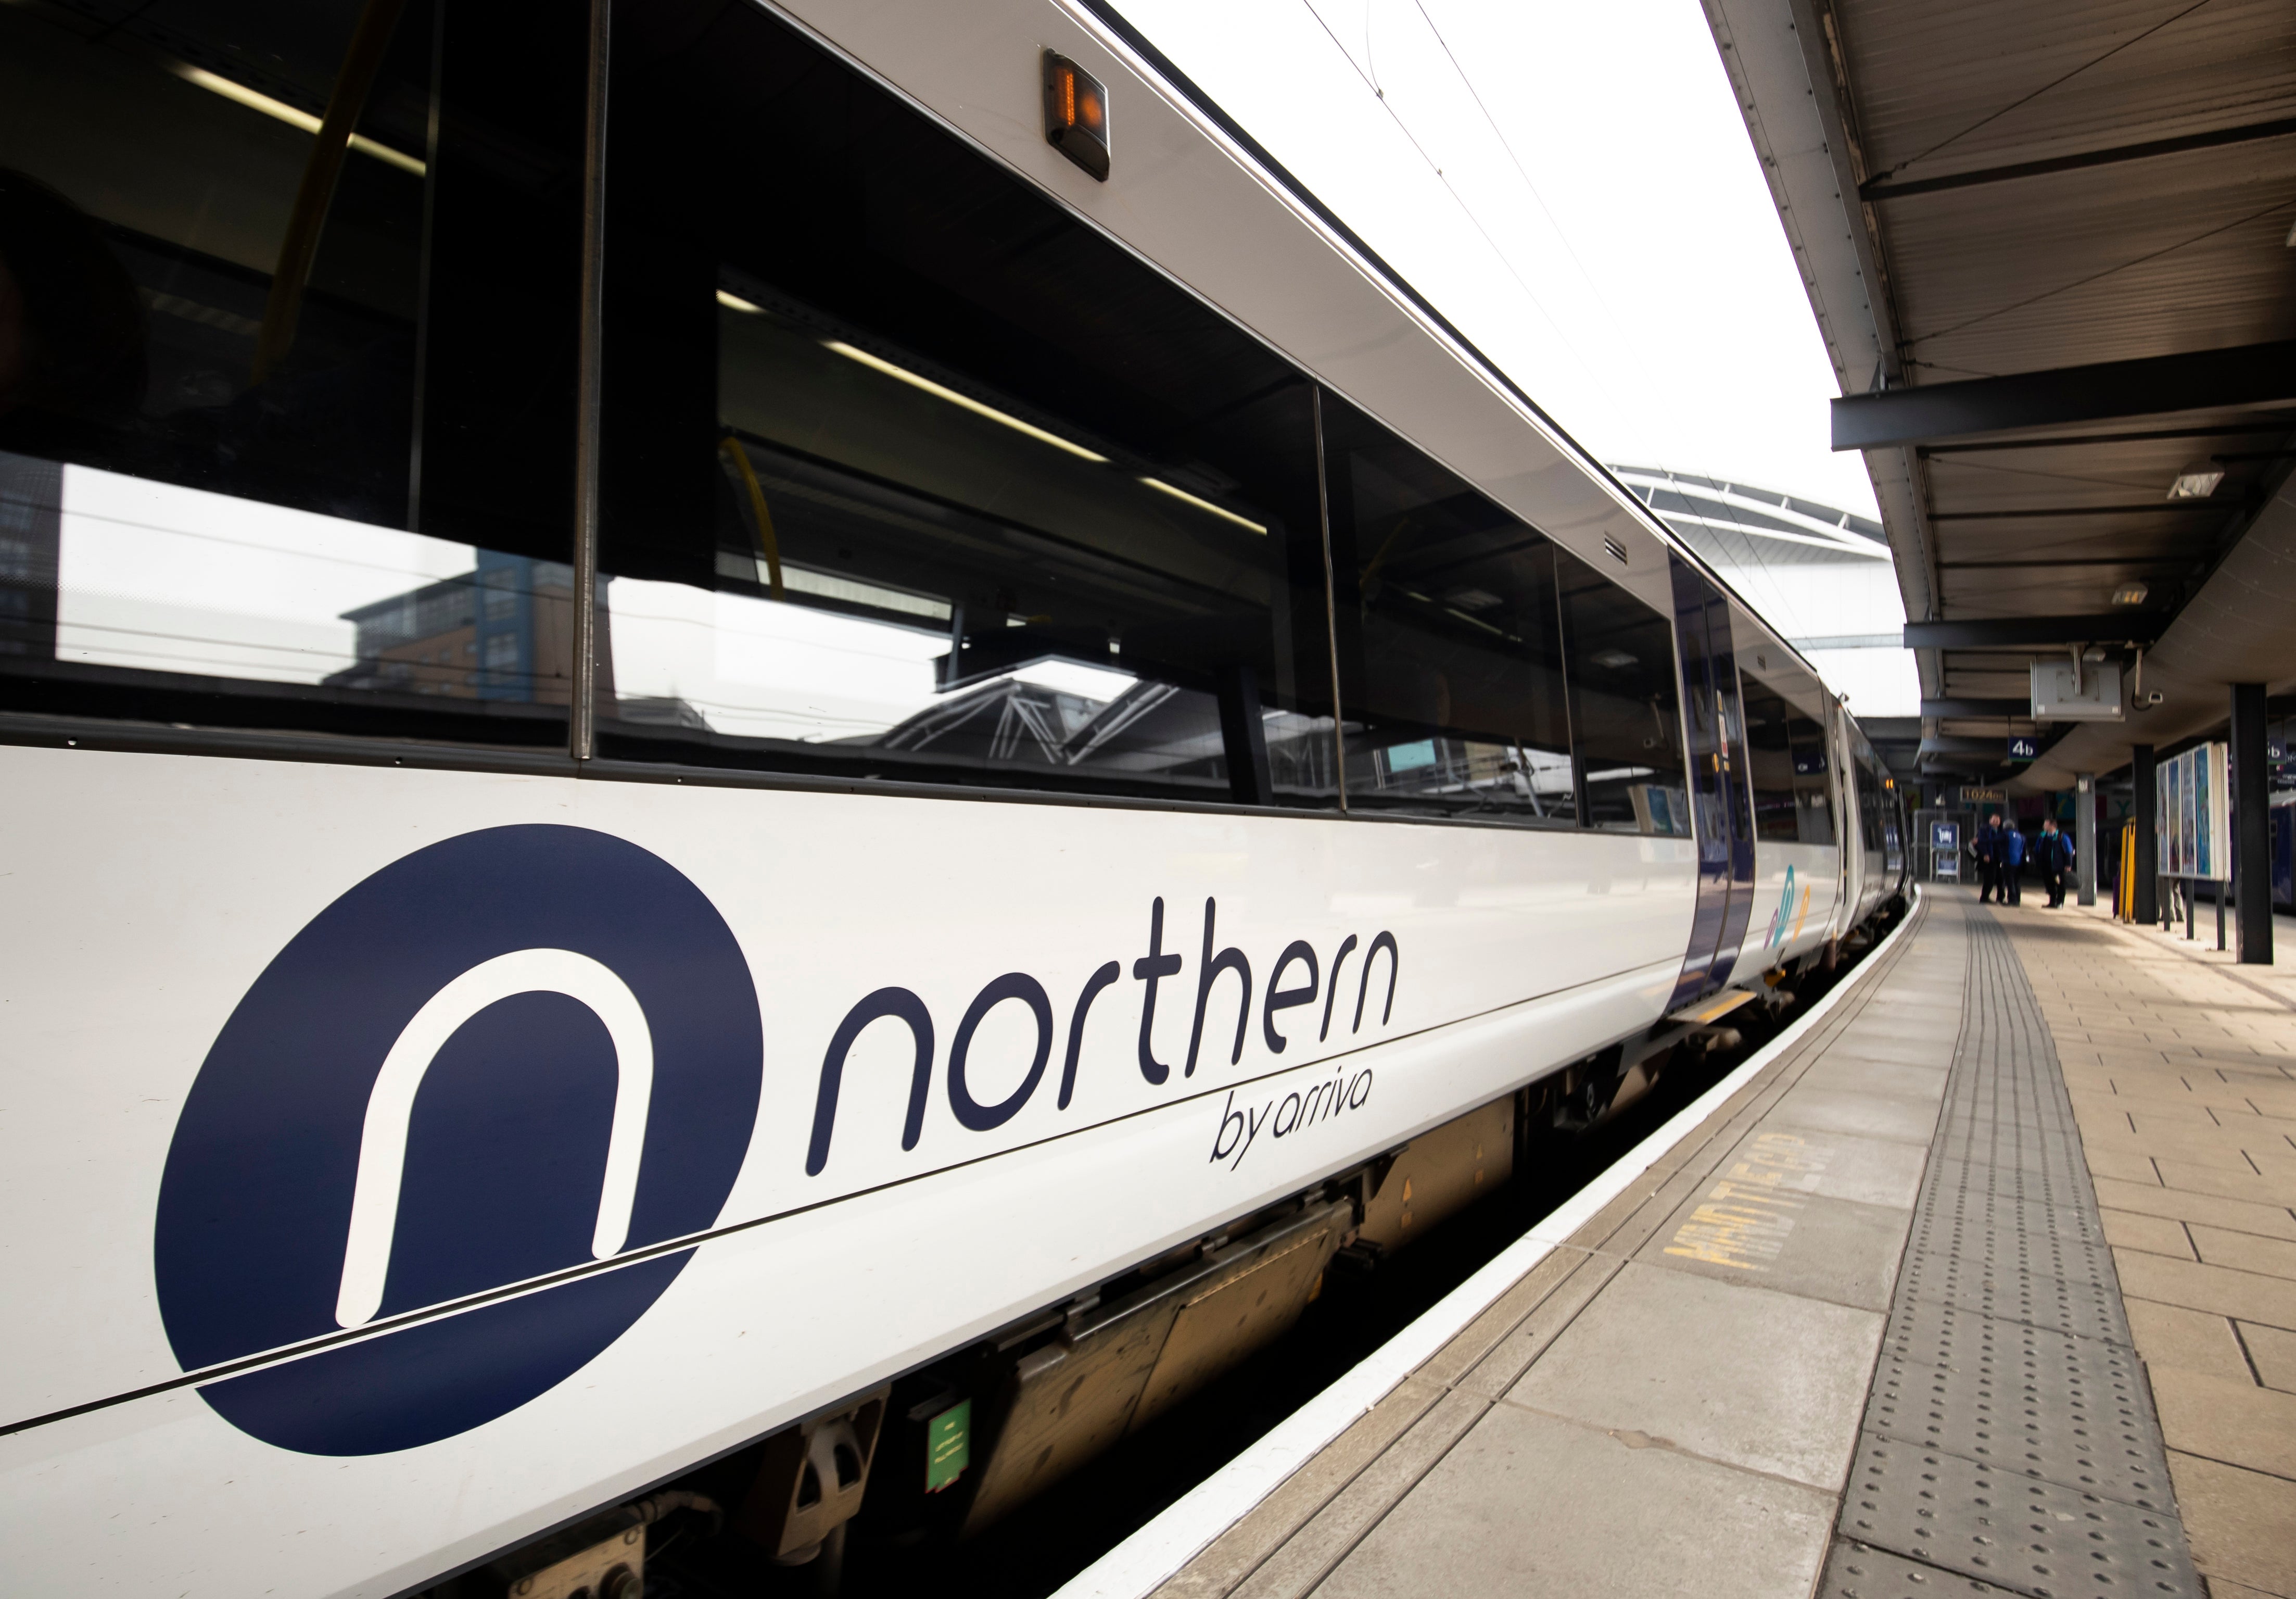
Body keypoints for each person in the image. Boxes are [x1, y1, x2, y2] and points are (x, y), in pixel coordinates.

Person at [2040, 817, 2075, 908]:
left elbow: (2068, 851)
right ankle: (2052, 902)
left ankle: (2060, 903)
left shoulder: (2062, 837)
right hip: (2046, 866)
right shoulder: (2043, 836)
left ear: (2052, 825)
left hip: (2058, 867)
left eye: (2046, 824)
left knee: (2060, 885)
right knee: (2049, 884)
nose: (2044, 826)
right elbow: (2038, 850)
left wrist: (2068, 864)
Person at [1973, 814, 2001, 902]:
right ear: (1990, 821)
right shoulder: (1984, 830)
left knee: (2000, 878)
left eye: (1997, 820)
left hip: (1998, 858)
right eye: (1994, 820)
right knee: (1989, 878)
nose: (1996, 822)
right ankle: (1984, 898)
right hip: (1989, 858)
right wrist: (1985, 854)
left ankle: (2000, 898)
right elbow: (1981, 842)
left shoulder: (2001, 831)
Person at [2001, 817, 2026, 904]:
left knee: (2009, 881)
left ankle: (2012, 900)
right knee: (2017, 881)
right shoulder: (2021, 836)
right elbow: (2023, 850)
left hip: (2008, 862)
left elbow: (1998, 844)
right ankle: (2018, 899)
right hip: (2019, 862)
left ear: (2005, 827)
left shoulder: (2005, 835)